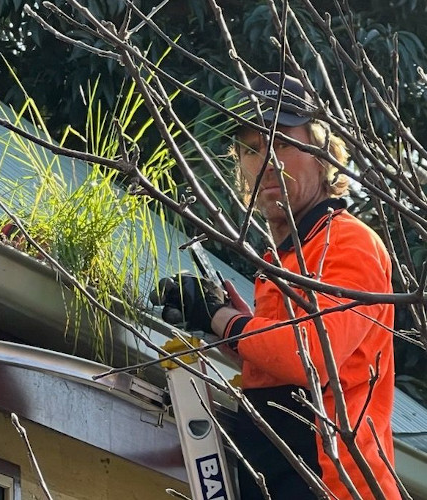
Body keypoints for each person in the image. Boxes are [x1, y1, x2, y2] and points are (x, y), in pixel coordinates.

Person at [154, 73, 398, 499]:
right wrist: (230, 326)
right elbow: (283, 372)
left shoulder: (347, 240)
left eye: (281, 142)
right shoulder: (282, 260)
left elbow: (311, 357)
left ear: (322, 155)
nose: (265, 160)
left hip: (336, 486)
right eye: (251, 148)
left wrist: (225, 321)